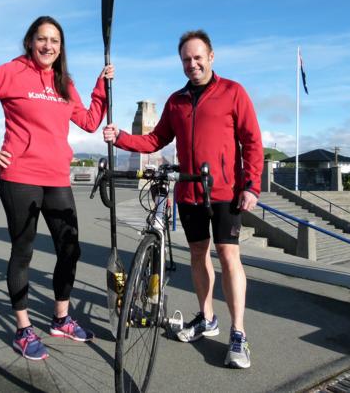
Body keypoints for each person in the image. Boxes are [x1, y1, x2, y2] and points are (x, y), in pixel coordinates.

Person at [0, 16, 114, 361]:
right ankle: (24, 329)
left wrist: (101, 86)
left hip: (57, 178)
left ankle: (61, 318)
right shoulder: (11, 72)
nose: (48, 46)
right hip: (20, 177)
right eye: (42, 39)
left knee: (69, 250)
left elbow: (87, 121)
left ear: (61, 47)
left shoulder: (63, 81)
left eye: (55, 40)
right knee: (23, 251)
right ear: (30, 41)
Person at [103, 30, 262, 369]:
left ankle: (238, 333)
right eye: (186, 59)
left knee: (229, 257)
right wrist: (121, 139)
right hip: (188, 190)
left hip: (224, 192)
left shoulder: (233, 92)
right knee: (197, 254)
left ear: (211, 56)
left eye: (198, 57)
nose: (192, 64)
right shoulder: (176, 101)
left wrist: (251, 185)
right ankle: (207, 317)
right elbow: (157, 139)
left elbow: (252, 142)